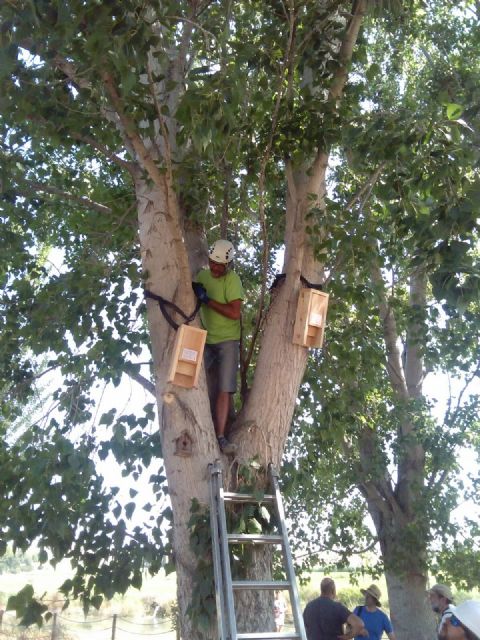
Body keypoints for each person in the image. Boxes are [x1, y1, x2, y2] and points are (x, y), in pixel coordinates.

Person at [193, 239, 244, 453]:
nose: (214, 268)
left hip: (227, 341)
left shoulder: (232, 280)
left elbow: (234, 313)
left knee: (225, 388)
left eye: (219, 265)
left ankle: (221, 437)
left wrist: (207, 300)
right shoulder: (203, 276)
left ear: (228, 265)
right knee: (193, 376)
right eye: (212, 263)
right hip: (206, 338)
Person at [303, 577, 367, 640]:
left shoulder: (309, 607)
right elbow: (359, 624)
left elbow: (304, 627)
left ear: (321, 589)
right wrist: (347, 636)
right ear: (333, 590)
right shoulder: (337, 607)